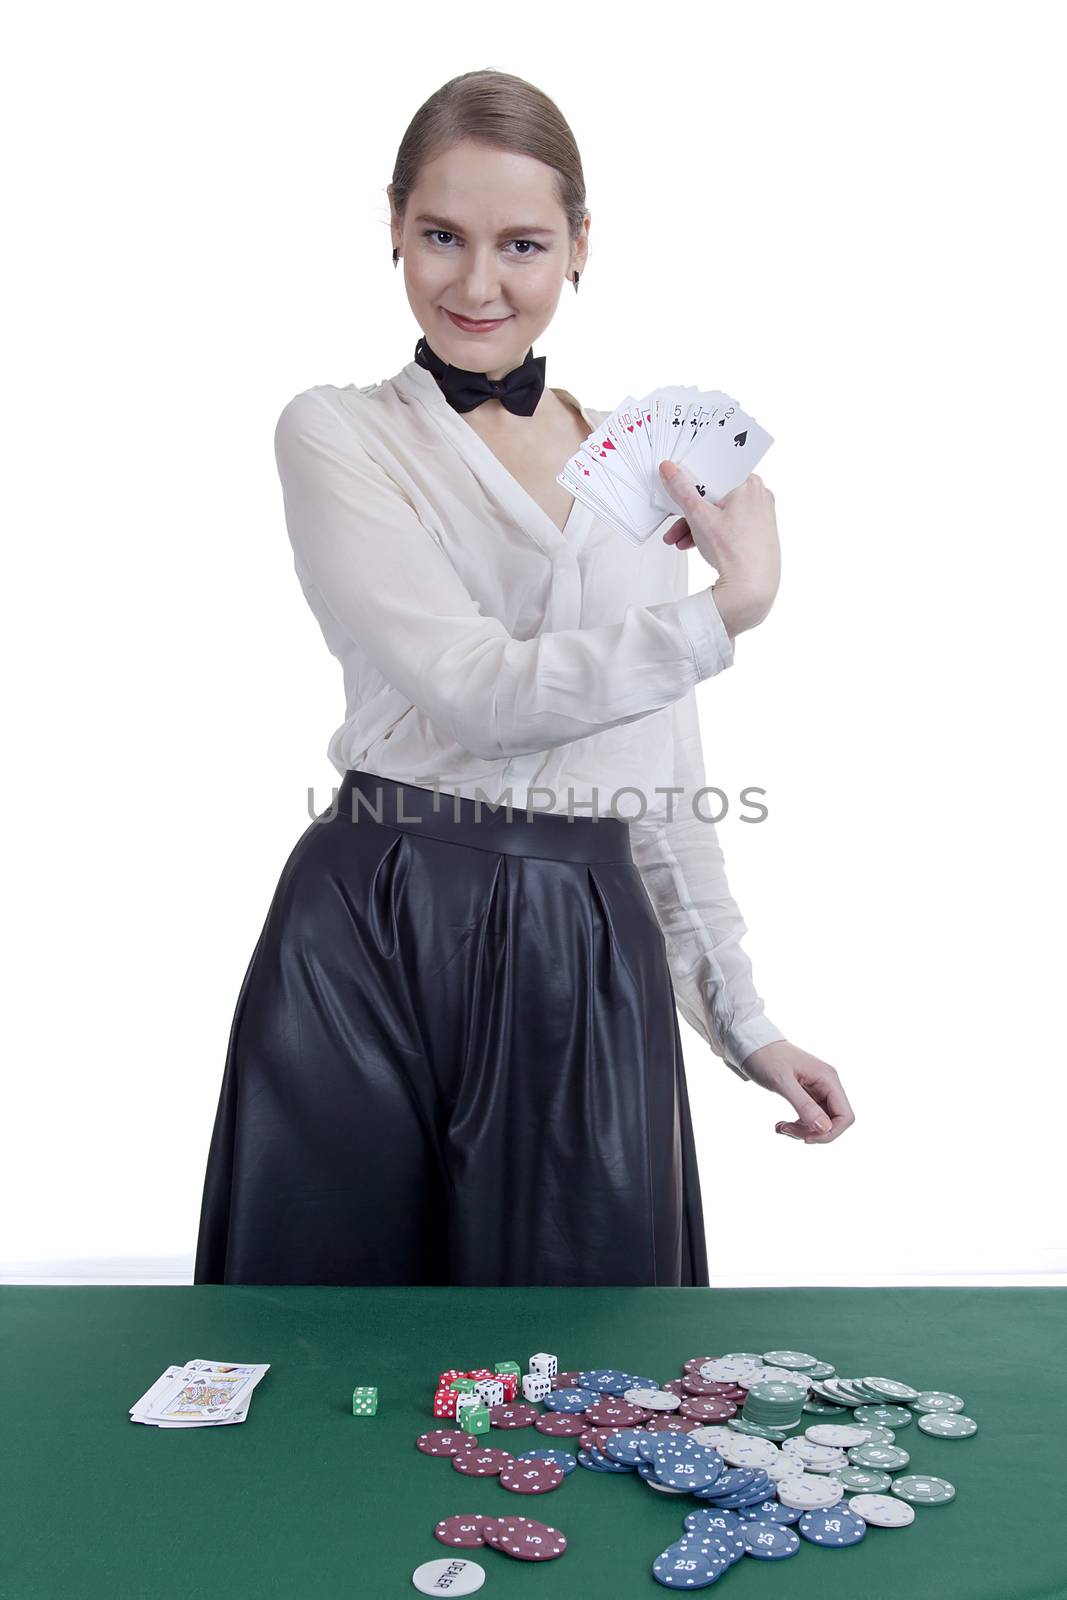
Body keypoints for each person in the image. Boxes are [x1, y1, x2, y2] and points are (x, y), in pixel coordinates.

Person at [193, 68, 854, 1290]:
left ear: (580, 248)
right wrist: (732, 611)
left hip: (581, 935)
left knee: (583, 1362)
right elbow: (473, 689)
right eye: (440, 236)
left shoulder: (646, 468)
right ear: (391, 223)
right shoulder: (336, 431)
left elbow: (660, 783)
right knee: (337, 1339)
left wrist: (745, 1021)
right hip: (376, 917)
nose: (477, 282)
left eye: (521, 244)